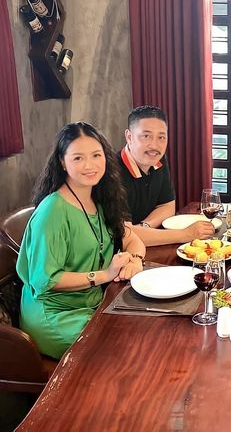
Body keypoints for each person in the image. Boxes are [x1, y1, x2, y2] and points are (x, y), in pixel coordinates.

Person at [17, 122, 146, 359]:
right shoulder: (52, 211)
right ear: (62, 162)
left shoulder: (99, 199)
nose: (90, 165)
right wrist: (105, 275)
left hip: (92, 303)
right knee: (125, 348)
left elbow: (132, 239)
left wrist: (136, 260)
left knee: (146, 329)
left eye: (96, 155)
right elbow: (46, 280)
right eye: (78, 158)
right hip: (56, 314)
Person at [119, 105, 214, 246]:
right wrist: (186, 234)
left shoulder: (158, 159)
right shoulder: (112, 171)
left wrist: (144, 226)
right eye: (146, 136)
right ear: (129, 137)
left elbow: (167, 206)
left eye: (161, 137)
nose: (154, 146)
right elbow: (123, 234)